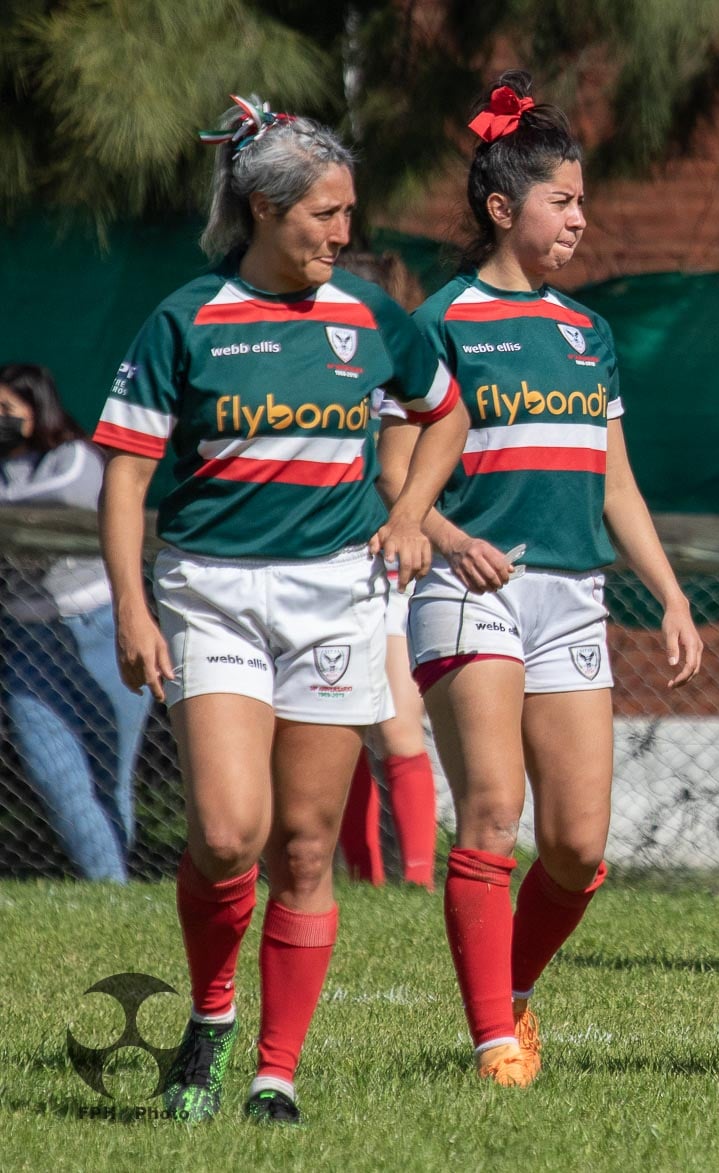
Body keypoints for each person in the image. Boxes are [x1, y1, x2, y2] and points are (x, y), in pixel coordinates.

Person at [95, 95, 469, 1126]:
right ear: (263, 210)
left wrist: (411, 514)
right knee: (227, 831)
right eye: (324, 215)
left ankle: (275, 1074)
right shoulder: (186, 319)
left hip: (337, 596)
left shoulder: (368, 317)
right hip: (209, 595)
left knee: (304, 844)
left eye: (349, 214)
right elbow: (124, 481)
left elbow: (446, 413)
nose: (343, 234)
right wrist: (133, 610)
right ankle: (211, 1016)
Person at [406, 71, 702, 1089]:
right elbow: (384, 474)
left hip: (571, 595)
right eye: (562, 200)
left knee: (577, 847)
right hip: (469, 592)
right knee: (491, 808)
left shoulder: (589, 333)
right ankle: (496, 1048)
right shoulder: (440, 322)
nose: (582, 217)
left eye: (583, 200)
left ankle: (513, 992)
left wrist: (666, 590)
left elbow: (615, 482)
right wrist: (445, 536)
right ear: (504, 208)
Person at [0, 363, 151, 882]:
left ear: (36, 409)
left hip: (101, 629)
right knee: (56, 775)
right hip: (28, 639)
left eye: (6, 412)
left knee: (111, 780)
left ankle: (121, 888)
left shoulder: (75, 458)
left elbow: (65, 497)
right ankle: (111, 893)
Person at [331, 250, 438, 891]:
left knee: (396, 723)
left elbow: (403, 469)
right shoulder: (311, 358)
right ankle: (364, 875)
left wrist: (409, 525)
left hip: (387, 562)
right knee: (340, 722)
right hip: (325, 559)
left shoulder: (404, 369)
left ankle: (419, 879)